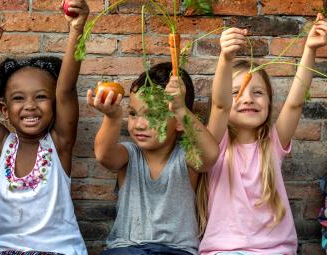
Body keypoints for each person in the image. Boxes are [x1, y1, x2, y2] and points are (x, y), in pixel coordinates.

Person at [0, 1, 89, 254]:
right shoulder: (3, 146)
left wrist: (77, 30)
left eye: (41, 97)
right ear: (4, 110)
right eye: (19, 99)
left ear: (55, 106)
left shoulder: (60, 144)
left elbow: (65, 90)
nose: (30, 106)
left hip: (60, 250)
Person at [199, 14, 327, 255]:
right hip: (224, 251)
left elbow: (294, 104)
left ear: (269, 101)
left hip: (276, 251)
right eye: (237, 92)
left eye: (258, 92)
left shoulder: (273, 143)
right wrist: (225, 58)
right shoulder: (216, 143)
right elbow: (219, 106)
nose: (248, 98)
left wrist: (310, 49)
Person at [88, 62, 219, 255]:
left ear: (179, 123)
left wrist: (182, 110)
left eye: (152, 115)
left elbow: (211, 155)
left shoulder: (186, 157)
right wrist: (113, 118)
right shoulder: (129, 154)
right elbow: (104, 155)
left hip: (176, 251)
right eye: (133, 114)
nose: (139, 125)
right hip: (126, 249)